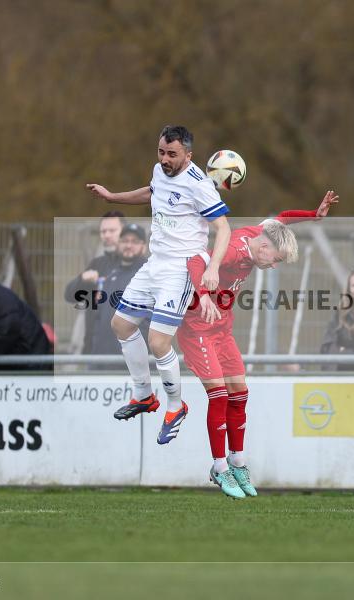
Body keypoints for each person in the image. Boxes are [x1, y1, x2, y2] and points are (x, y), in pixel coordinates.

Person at [180, 191, 337, 498]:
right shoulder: (232, 252)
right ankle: (219, 467)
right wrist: (204, 294)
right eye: (276, 259)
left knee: (240, 393)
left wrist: (313, 215)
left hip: (222, 330)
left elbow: (283, 218)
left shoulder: (261, 233)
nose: (274, 266)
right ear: (264, 247)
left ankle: (238, 462)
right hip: (198, 329)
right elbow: (196, 261)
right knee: (219, 396)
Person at [86, 124, 231, 445]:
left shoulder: (199, 185)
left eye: (172, 154)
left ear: (188, 155)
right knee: (121, 325)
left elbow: (224, 228)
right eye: (161, 152)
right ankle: (144, 395)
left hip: (181, 269)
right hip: (155, 264)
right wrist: (112, 196)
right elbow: (152, 192)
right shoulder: (159, 170)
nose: (164, 159)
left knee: (158, 341)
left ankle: (176, 406)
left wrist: (213, 267)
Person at [64, 211, 126, 354]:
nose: (107, 235)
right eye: (103, 231)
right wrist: (82, 280)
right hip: (94, 350)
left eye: (112, 230)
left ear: (124, 232)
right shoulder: (97, 264)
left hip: (125, 350)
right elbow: (69, 295)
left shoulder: (136, 265)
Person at [88, 223, 149, 359]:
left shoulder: (149, 275)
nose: (129, 245)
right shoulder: (110, 275)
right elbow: (98, 317)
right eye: (125, 241)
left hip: (133, 360)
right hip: (101, 359)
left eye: (135, 241)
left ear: (144, 246)